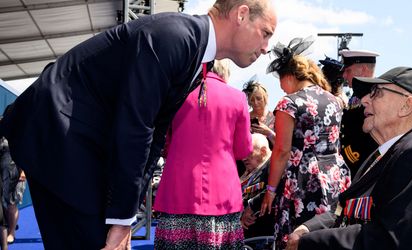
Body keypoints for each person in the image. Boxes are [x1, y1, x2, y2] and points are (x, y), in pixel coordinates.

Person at [0, 0, 277, 248]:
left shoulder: (193, 51)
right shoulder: (175, 37)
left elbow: (154, 137)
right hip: (56, 133)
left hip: (74, 141)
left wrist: (125, 216)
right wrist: (121, 220)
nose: (266, 48)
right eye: (265, 33)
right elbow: (136, 127)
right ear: (242, 15)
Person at [286, 67, 412, 250]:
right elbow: (343, 209)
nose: (364, 100)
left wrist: (308, 243)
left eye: (376, 93)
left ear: (406, 106)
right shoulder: (387, 152)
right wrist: (307, 228)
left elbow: (390, 240)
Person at [259, 36, 350, 249]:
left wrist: (270, 190)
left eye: (280, 80)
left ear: (289, 76)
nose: (281, 88)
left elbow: (281, 150)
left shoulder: (289, 103)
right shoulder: (335, 100)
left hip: (303, 181)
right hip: (334, 178)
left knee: (297, 240)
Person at [153, 58, 253, 249]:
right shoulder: (237, 97)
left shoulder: (176, 94)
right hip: (221, 193)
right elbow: (243, 150)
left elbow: (165, 144)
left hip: (178, 190)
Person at [339, 49, 380, 176]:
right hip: (354, 167)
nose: (344, 76)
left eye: (348, 70)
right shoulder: (356, 96)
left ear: (362, 70)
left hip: (366, 167)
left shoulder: (377, 97)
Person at [240, 133, 275, 238]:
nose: (243, 158)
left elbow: (275, 189)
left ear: (263, 151)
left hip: (263, 235)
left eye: (248, 153)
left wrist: (251, 206)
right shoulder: (249, 170)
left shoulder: (272, 165)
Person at [0, 136, 26, 245]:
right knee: (4, 203)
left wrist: (23, 171)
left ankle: (12, 232)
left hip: (16, 172)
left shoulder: (13, 130)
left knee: (11, 204)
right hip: (3, 175)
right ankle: (11, 224)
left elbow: (23, 151)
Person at [242, 80, 276, 146]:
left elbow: (283, 145)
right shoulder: (244, 119)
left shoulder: (275, 118)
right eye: (252, 100)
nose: (255, 103)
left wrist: (268, 133)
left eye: (258, 98)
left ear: (265, 97)